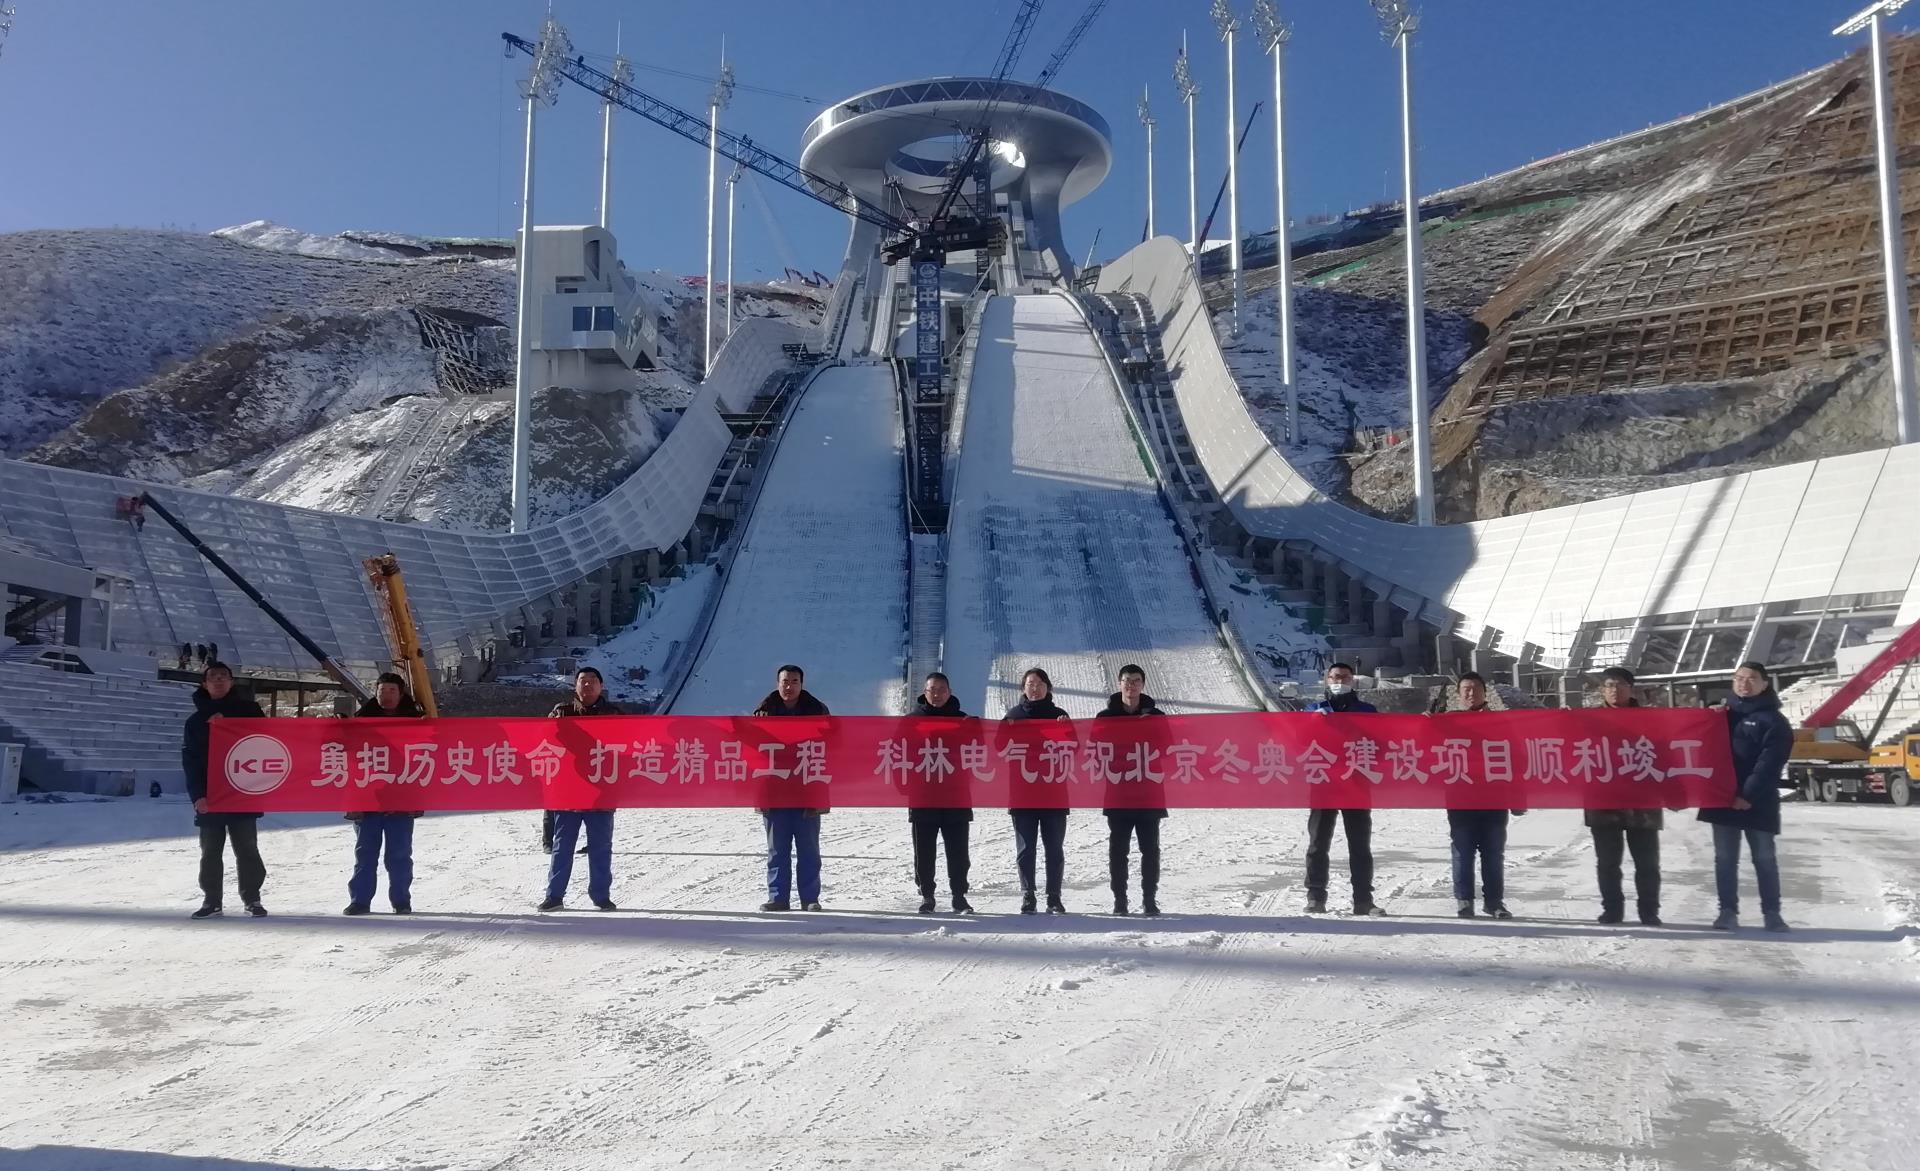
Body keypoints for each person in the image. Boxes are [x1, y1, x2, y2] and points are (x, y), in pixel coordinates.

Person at [1701, 661, 1793, 932]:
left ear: (1765, 684)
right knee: (1725, 859)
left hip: (1758, 801)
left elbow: (1770, 764)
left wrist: (1747, 794)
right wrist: (1706, 717)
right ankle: (1727, 911)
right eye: (1739, 678)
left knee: (1764, 858)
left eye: (1751, 678)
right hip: (1721, 799)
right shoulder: (1720, 715)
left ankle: (1772, 913)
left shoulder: (1774, 721)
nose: (1744, 683)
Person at [182, 662, 268, 919]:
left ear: (231, 682)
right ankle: (211, 900)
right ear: (204, 684)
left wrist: (229, 722)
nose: (218, 681)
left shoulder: (249, 710)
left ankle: (252, 898)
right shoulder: (195, 721)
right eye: (212, 677)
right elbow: (191, 761)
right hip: (211, 794)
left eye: (223, 677)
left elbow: (266, 737)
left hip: (243, 790)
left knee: (247, 848)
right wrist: (198, 796)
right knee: (210, 850)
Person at [1303, 662, 1386, 916]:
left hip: (1356, 783)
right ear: (1327, 680)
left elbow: (1381, 743)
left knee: (1360, 845)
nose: (1340, 681)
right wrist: (1313, 723)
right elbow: (1297, 739)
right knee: (1318, 843)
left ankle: (1363, 899)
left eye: (1345, 677)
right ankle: (1316, 896)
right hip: (1324, 784)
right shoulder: (1313, 709)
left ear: (1353, 680)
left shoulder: (1366, 711)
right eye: (1335, 677)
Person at [539, 667, 624, 912]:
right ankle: (554, 895)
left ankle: (600, 895)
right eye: (583, 681)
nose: (587, 685)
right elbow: (544, 739)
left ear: (601, 686)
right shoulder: (561, 712)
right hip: (569, 792)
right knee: (562, 845)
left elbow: (629, 744)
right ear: (575, 686)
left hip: (601, 791)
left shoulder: (614, 714)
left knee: (600, 846)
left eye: (593, 681)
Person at [1586, 666, 1664, 926]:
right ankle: (1612, 909)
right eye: (1608, 685)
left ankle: (1649, 911)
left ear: (1631, 688)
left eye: (1619, 684)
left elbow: (1667, 755)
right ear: (1602, 690)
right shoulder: (1590, 719)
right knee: (1608, 863)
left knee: (1647, 863)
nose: (1613, 690)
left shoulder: (1650, 719)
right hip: (1603, 803)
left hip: (1642, 805)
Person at [344, 673, 425, 916]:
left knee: (399, 855)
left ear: (401, 694)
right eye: (382, 690)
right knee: (365, 853)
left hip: (402, 797)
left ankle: (401, 900)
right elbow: (344, 757)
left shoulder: (418, 722)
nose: (385, 695)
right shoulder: (359, 721)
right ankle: (360, 900)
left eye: (391, 690)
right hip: (368, 797)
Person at [1444, 672, 1524, 919]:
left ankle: (1494, 902)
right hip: (1461, 798)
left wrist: (1518, 798)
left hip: (1494, 797)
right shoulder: (1448, 721)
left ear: (1484, 692)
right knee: (1462, 851)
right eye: (1466, 689)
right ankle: (1464, 901)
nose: (1470, 694)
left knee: (1493, 853)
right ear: (1458, 694)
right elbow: (1424, 748)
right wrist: (1425, 722)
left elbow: (1515, 759)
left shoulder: (1500, 722)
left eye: (1475, 689)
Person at [754, 664, 830, 912]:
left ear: (802, 684)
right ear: (778, 683)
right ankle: (778, 897)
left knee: (808, 849)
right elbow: (750, 749)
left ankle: (810, 898)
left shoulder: (818, 711)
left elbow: (834, 744)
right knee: (777, 850)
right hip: (774, 790)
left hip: (807, 789)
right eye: (785, 681)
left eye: (794, 681)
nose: (789, 686)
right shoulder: (763, 713)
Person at [1003, 667, 1072, 915]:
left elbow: (1073, 749)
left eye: (1040, 683)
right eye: (1030, 683)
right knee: (1025, 848)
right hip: (1023, 795)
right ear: (1023, 688)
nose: (1035, 688)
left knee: (1054, 848)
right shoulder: (1013, 716)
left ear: (1048, 688)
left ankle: (1054, 896)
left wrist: (1066, 730)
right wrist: (1006, 730)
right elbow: (998, 749)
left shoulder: (1059, 716)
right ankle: (1028, 894)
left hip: (1054, 794)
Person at [1098, 664, 1165, 917]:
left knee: (1150, 849)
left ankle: (1149, 898)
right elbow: (1095, 749)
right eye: (1126, 680)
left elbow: (1169, 746)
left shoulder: (1156, 716)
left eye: (1136, 681)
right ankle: (1120, 899)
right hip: (1118, 792)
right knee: (1118, 850)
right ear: (1119, 684)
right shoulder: (1105, 717)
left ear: (1143, 685)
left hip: (1149, 792)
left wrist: (1150, 727)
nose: (1131, 685)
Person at [909, 671, 973, 914]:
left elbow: (982, 751)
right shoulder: (911, 722)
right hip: (923, 796)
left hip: (956, 796)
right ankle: (927, 895)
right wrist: (902, 786)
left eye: (941, 690)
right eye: (931, 690)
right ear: (924, 693)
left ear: (950, 691)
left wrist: (975, 728)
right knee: (923, 851)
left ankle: (959, 895)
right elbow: (896, 752)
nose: (936, 694)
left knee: (958, 852)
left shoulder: (963, 720)